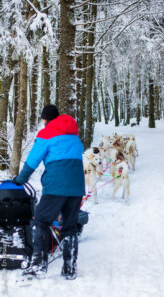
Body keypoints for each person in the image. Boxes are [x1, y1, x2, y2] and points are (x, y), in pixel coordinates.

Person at [14, 104, 85, 280]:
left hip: (55, 186)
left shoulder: (46, 133)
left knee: (40, 220)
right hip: (76, 186)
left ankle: (38, 264)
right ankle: (70, 268)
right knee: (69, 226)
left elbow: (33, 160)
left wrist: (20, 180)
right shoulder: (74, 135)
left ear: (46, 119)